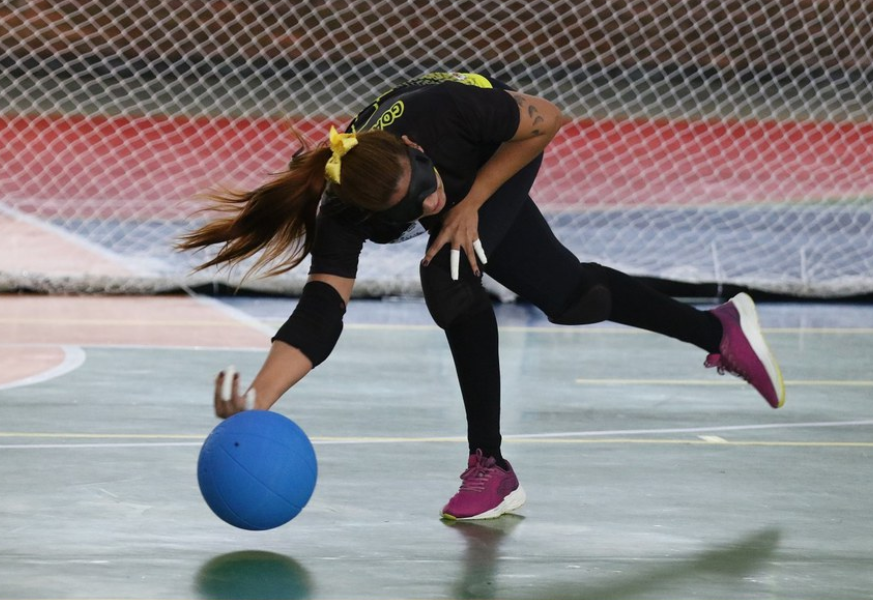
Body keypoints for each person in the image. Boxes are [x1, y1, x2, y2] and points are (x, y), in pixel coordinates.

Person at [177, 72, 786, 521]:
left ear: (416, 150)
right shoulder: (342, 210)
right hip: (465, 177)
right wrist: (258, 398)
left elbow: (547, 116)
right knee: (573, 298)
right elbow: (321, 314)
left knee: (447, 276)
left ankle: (490, 467)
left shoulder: (444, 114)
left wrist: (467, 202)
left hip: (498, 153)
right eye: (414, 209)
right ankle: (721, 330)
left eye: (427, 188)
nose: (429, 206)